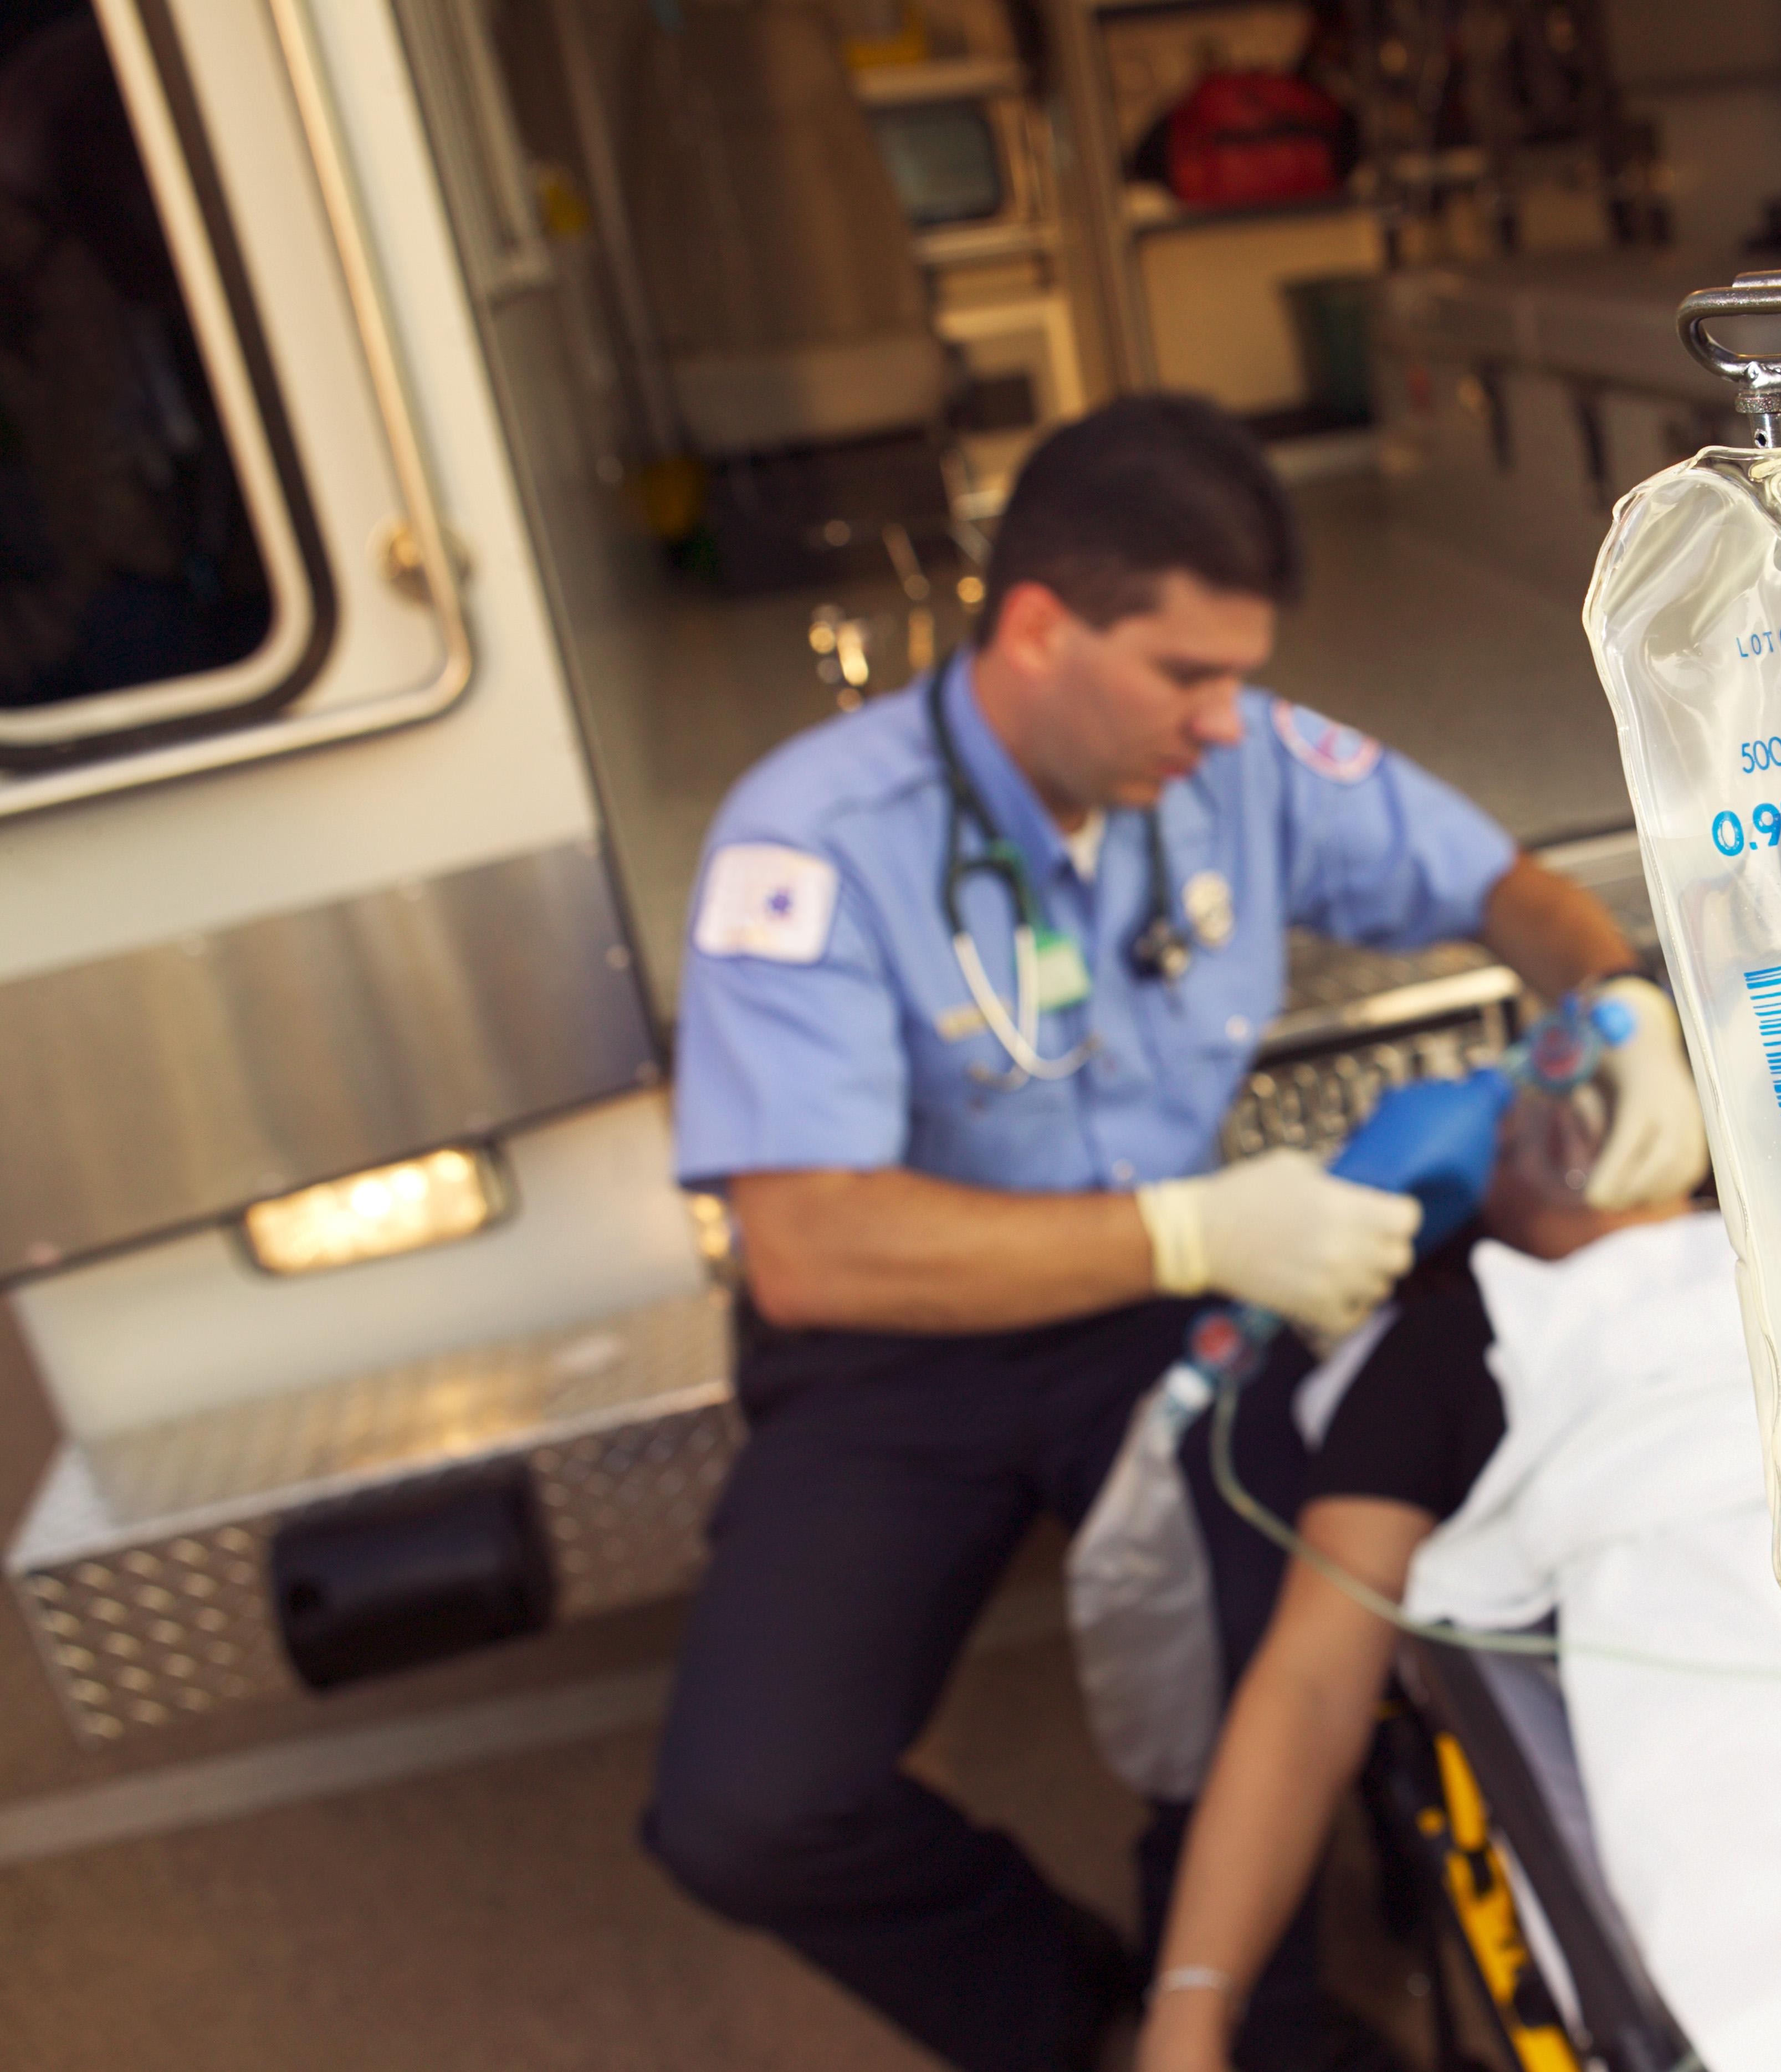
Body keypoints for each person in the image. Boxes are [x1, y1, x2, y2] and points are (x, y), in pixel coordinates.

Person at [641, 394, 1708, 2072]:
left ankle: (1244, 2026)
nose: (1225, 721)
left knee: (1265, 1672)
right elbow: (813, 1248)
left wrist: (1616, 992)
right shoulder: (814, 839)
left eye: (1239, 675)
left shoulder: (1243, 763)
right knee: (748, 1812)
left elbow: (1500, 885)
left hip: (1168, 1318)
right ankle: (1085, 2018)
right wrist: (1190, 1229)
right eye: (1184, 675)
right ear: (1038, 629)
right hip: (903, 1343)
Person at [1134, 1091, 1690, 2072]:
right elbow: (1311, 1681)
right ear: (1484, 1206)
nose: (1567, 1104)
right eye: (1514, 1128)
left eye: (1604, 1082)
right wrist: (1193, 2006)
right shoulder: (1448, 1350)